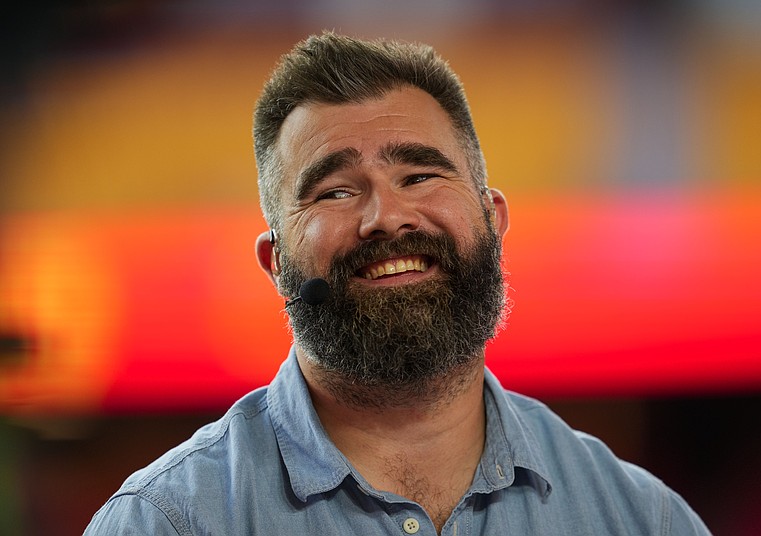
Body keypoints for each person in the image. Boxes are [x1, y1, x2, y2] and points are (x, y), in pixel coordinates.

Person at [84, 32, 711, 535]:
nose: (387, 217)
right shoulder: (166, 521)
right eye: (335, 191)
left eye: (419, 176)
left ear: (492, 220)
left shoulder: (640, 518)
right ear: (276, 265)